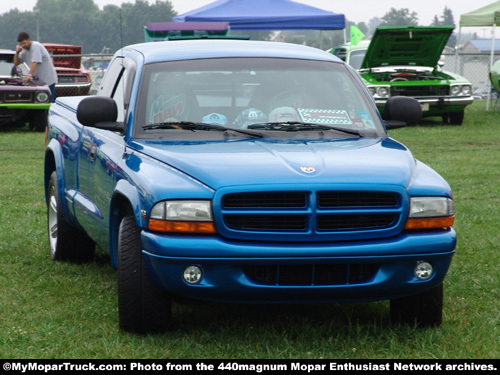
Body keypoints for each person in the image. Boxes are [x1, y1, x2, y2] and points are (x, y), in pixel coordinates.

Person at [13, 31, 58, 102]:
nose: (23, 45)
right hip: (38, 83)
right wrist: (17, 53)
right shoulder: (25, 50)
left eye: (24, 43)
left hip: (47, 81)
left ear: (29, 40)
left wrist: (29, 75)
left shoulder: (36, 46)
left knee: (48, 102)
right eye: (21, 44)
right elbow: (16, 63)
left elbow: (34, 62)